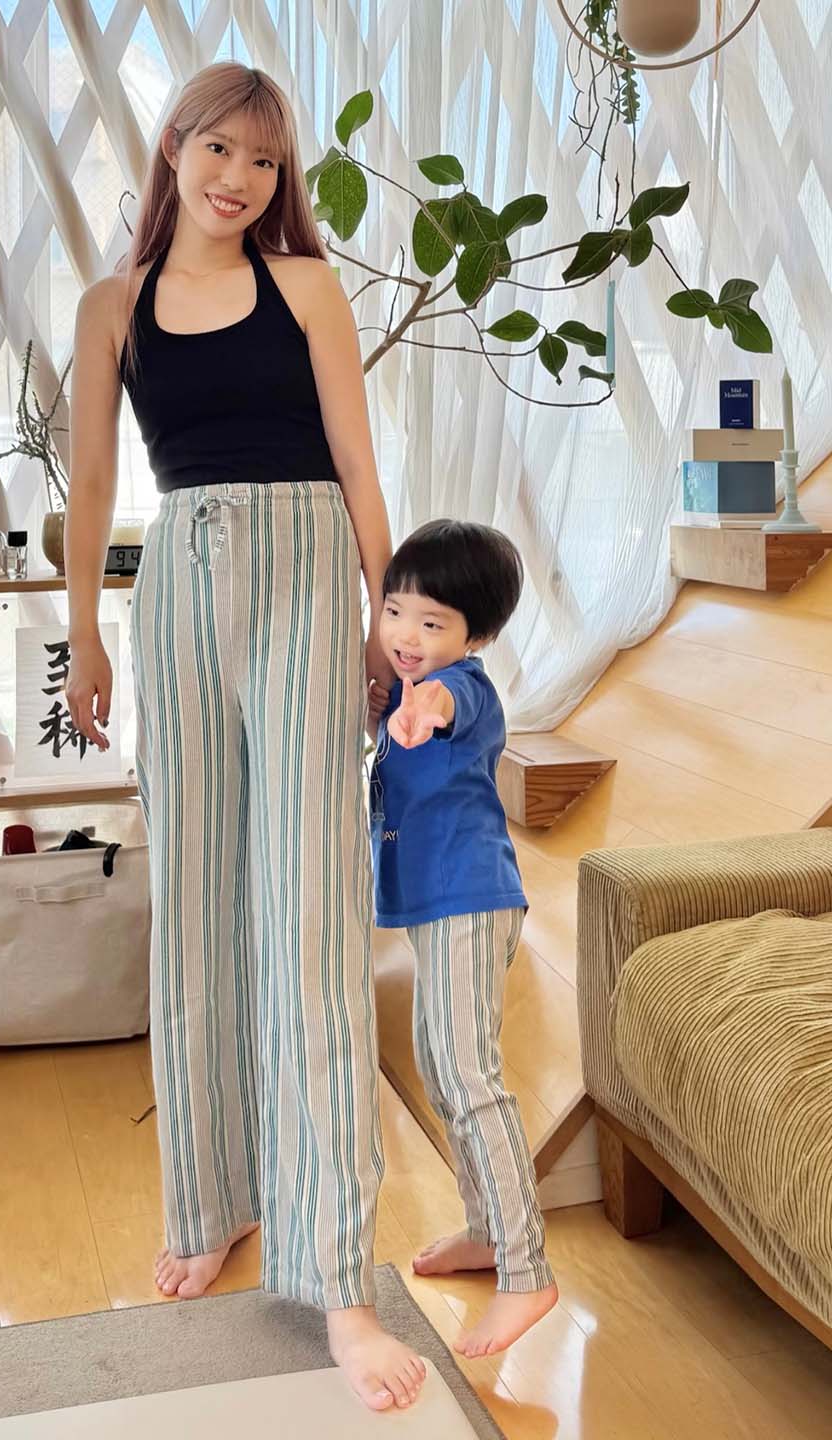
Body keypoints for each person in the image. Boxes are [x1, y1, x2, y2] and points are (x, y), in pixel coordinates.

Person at [63, 62, 426, 1412]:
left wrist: (388, 622)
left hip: (302, 575)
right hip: (175, 587)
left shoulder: (308, 289)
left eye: (265, 161)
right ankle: (214, 1197)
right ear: (173, 149)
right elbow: (92, 478)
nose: (239, 178)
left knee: (310, 919)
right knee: (199, 907)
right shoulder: (112, 308)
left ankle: (338, 1278)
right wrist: (85, 632)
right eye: (220, 149)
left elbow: (359, 464)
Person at [367, 519, 559, 1357]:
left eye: (432, 622)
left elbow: (447, 709)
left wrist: (423, 710)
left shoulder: (462, 690)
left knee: (469, 1078)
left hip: (470, 899)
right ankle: (487, 1233)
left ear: (475, 637)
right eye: (395, 612)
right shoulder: (403, 689)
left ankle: (527, 1271)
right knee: (445, 1074)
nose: (407, 635)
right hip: (439, 905)